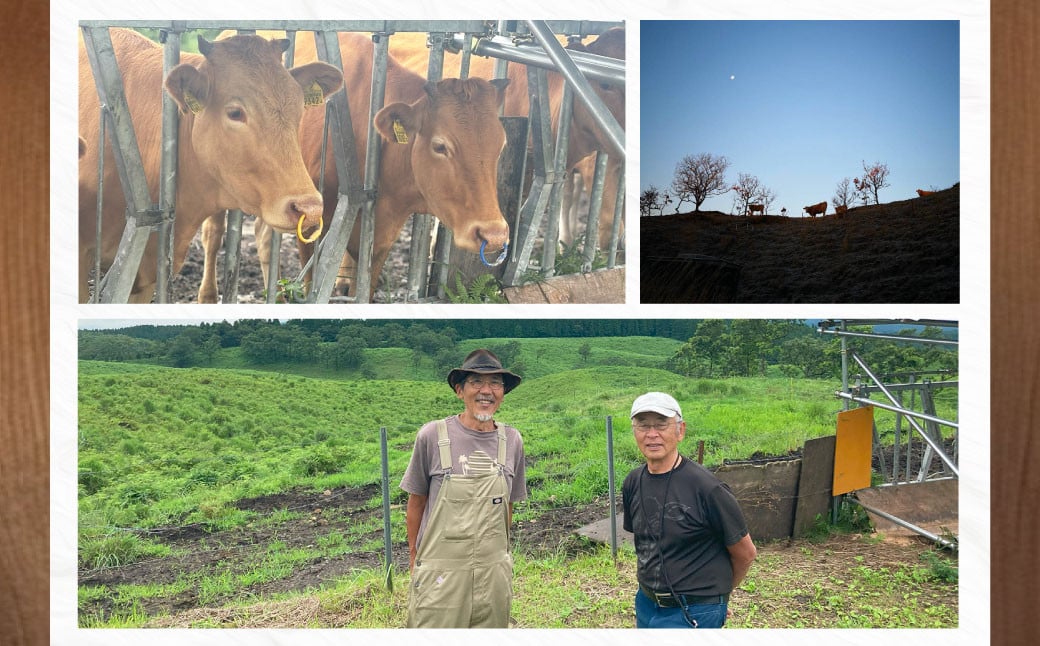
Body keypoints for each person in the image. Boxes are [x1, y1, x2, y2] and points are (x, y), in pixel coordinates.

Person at [400, 349, 527, 628]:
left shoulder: (512, 440)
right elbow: (416, 502)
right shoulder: (432, 436)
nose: (486, 391)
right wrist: (414, 557)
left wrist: (502, 557)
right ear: (459, 390)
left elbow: (507, 507)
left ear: (503, 393)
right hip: (441, 576)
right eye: (476, 382)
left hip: (493, 575)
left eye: (495, 383)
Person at [622, 392, 757, 629]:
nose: (652, 434)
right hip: (646, 603)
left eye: (661, 424)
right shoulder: (633, 482)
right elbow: (647, 544)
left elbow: (745, 553)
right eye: (643, 425)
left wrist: (716, 599)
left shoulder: (707, 489)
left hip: (694, 610)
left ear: (680, 430)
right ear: (634, 431)